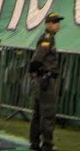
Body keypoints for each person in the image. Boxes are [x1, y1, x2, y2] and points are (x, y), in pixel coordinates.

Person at [29, 12, 63, 151]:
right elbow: (37, 59)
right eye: (54, 22)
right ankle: (47, 144)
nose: (57, 24)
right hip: (46, 80)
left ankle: (35, 142)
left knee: (38, 112)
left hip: (42, 78)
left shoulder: (50, 38)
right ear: (47, 24)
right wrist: (36, 74)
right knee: (47, 113)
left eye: (58, 21)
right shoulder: (47, 39)